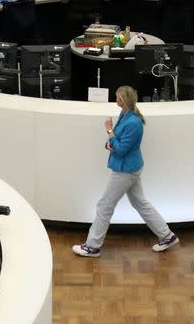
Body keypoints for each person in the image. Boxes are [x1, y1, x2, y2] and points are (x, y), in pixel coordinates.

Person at [73, 86, 178, 257]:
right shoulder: (125, 115)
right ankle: (167, 236)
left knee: (105, 205)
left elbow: (121, 149)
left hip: (125, 170)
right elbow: (118, 142)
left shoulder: (133, 122)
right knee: (140, 203)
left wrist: (108, 129)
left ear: (125, 100)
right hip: (130, 167)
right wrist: (109, 142)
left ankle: (92, 246)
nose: (116, 100)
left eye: (118, 98)